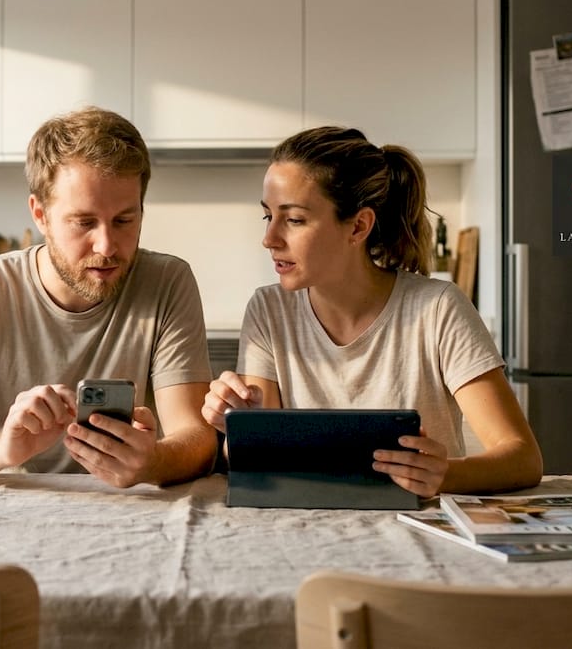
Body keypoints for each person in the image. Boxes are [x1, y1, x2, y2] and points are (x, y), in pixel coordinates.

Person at [202, 126, 543, 497]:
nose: (269, 239)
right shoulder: (269, 310)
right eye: (269, 217)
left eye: (295, 219)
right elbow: (255, 464)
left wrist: (445, 475)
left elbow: (522, 458)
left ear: (358, 226)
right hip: (307, 526)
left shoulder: (438, 309)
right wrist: (236, 426)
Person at [0, 107, 216, 488]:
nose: (107, 245)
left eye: (125, 221)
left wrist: (153, 462)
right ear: (40, 214)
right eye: (84, 222)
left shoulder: (166, 281)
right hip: (8, 506)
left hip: (127, 511)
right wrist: (2, 450)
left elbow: (197, 439)